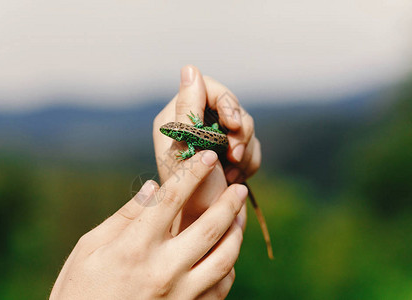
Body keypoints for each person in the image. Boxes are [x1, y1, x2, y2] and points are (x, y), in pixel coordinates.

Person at [50, 66, 261, 299]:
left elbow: (193, 145)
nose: (169, 133)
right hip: (216, 142)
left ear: (181, 134)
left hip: (220, 144)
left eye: (173, 132)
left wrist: (185, 159)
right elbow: (197, 131)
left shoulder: (190, 138)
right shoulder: (190, 131)